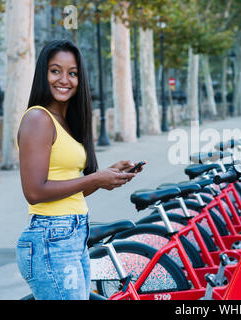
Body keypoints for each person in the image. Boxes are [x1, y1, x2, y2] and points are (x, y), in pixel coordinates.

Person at [15, 39, 145, 300]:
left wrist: (104, 177)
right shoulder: (38, 119)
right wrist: (96, 177)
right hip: (51, 240)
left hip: (72, 236)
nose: (64, 79)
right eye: (55, 71)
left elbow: (68, 193)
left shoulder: (64, 121)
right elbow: (34, 192)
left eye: (72, 73)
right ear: (43, 74)